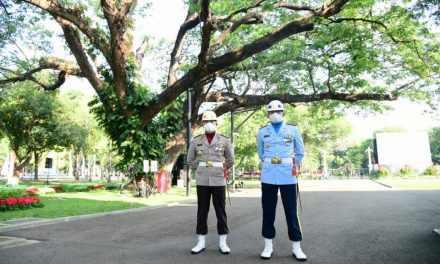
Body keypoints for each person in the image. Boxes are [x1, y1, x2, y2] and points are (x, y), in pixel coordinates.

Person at [256, 100, 307, 261]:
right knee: (268, 212)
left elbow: (300, 151)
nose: (275, 114)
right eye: (271, 112)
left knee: (291, 213)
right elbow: (261, 152)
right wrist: (270, 161)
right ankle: (268, 246)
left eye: (278, 111)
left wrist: (293, 163)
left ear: (283, 113)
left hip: (288, 175)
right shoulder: (262, 131)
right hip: (269, 175)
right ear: (268, 114)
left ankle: (296, 247)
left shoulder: (292, 129)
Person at [187, 110, 235, 255]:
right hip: (202, 180)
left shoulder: (224, 140)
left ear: (216, 123)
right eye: (206, 122)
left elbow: (231, 159)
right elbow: (190, 160)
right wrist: (200, 167)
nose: (209, 124)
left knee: (221, 212)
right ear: (202, 124)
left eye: (211, 121)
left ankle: (223, 242)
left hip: (219, 180)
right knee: (202, 211)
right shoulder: (196, 140)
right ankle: (200, 242)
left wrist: (220, 169)